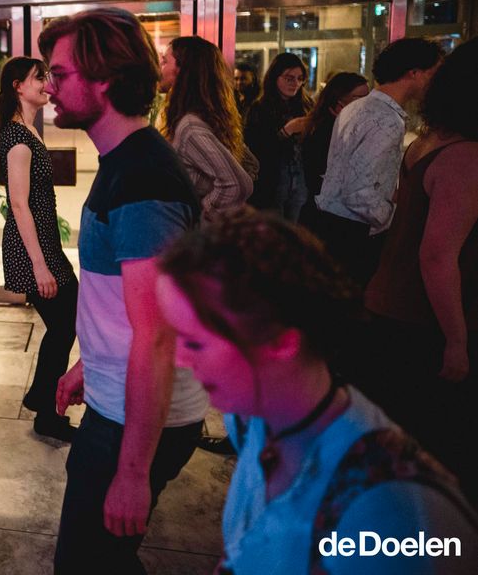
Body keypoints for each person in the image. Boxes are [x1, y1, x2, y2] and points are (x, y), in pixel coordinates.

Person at [157, 209, 478, 574]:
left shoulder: (390, 512)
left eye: (194, 343)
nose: (178, 359)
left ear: (282, 343)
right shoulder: (251, 417)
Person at [38, 8, 207, 574]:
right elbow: (127, 305)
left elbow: (158, 335)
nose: (49, 88)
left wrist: (133, 473)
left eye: (59, 74)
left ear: (105, 79)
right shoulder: (126, 164)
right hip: (117, 402)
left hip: (133, 422)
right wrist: (91, 362)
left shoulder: (142, 179)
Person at [363, 40, 478, 504]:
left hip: (391, 310)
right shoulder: (466, 156)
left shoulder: (429, 142)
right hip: (423, 322)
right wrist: (457, 341)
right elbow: (437, 256)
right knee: (436, 458)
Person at [314, 37, 444, 286]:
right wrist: (395, 220)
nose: (435, 82)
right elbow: (361, 195)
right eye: (433, 73)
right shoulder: (387, 120)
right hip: (354, 234)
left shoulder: (356, 107)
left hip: (331, 223)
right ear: (414, 73)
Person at [0, 57, 77, 442]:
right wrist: (40, 266)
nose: (46, 83)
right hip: (32, 250)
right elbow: (18, 204)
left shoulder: (29, 130)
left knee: (65, 324)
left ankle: (43, 400)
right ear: (17, 86)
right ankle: (46, 410)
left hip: (44, 244)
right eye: (38, 78)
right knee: (64, 323)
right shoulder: (17, 137)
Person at [160, 36, 255, 219]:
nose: (160, 68)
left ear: (182, 70)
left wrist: (203, 218)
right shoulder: (205, 116)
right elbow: (250, 163)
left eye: (165, 61)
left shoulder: (189, 127)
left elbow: (239, 184)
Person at [295, 72, 369, 228]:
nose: (367, 105)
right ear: (338, 105)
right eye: (360, 99)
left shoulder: (350, 129)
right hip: (326, 220)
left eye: (369, 99)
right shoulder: (324, 133)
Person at [245, 53, 313, 220]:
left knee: (295, 227)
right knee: (274, 226)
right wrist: (285, 132)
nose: (295, 83)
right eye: (289, 78)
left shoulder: (306, 105)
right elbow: (256, 150)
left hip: (300, 179)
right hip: (272, 182)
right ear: (275, 77)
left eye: (300, 79)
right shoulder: (260, 109)